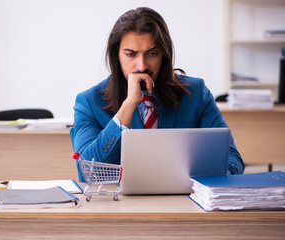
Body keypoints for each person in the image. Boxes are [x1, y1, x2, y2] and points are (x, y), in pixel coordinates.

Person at [73, 7, 245, 180]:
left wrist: (203, 183)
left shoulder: (196, 93)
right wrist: (128, 105)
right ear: (116, 53)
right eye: (130, 54)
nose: (142, 66)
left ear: (164, 54)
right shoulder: (89, 102)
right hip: (121, 204)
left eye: (152, 53)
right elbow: (88, 172)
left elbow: (233, 159)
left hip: (186, 200)